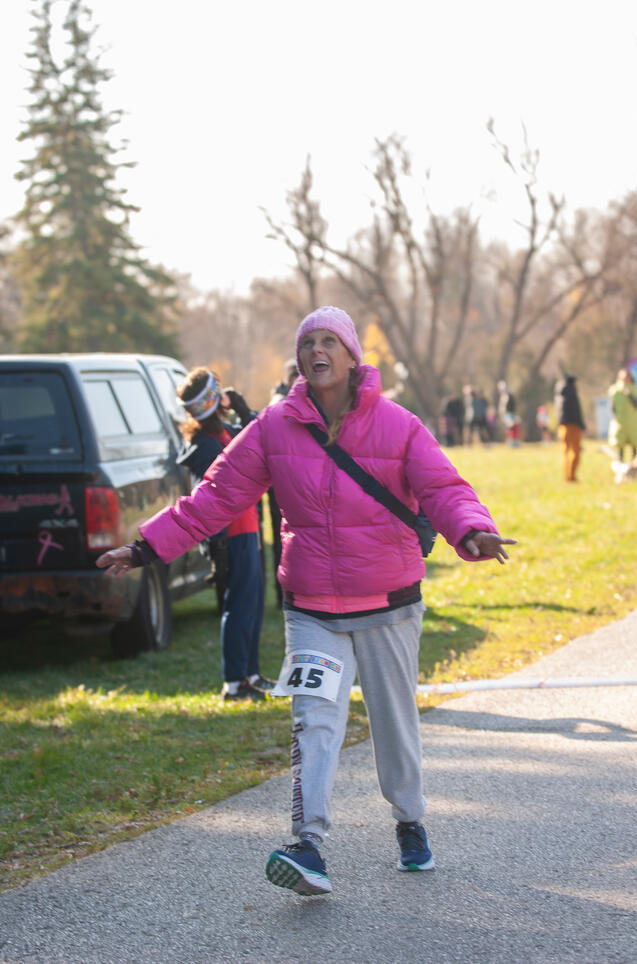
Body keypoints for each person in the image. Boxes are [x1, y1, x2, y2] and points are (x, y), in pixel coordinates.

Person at [96, 306, 515, 897]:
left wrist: (473, 531)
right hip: (312, 606)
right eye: (306, 343)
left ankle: (410, 821)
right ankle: (308, 845)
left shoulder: (397, 424)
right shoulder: (272, 427)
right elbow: (213, 497)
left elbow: (443, 488)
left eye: (327, 342)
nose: (315, 351)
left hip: (388, 603)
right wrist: (144, 548)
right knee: (314, 721)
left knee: (394, 724)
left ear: (350, 357)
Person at [175, 367, 271, 702]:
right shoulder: (204, 446)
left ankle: (251, 673)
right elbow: (207, 501)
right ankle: (234, 683)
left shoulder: (225, 433)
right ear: (213, 400)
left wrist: (244, 410)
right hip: (229, 537)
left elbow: (262, 436)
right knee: (238, 606)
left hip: (249, 528)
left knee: (254, 603)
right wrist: (216, 550)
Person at [268, 358, 299, 605]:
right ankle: (282, 593)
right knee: (282, 536)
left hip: (296, 478)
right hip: (279, 482)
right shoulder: (280, 405)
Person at [554, 372, 586, 482]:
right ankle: (571, 476)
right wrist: (581, 425)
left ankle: (567, 476)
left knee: (566, 452)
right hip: (572, 426)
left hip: (562, 426)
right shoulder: (571, 393)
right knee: (575, 452)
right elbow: (576, 411)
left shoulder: (559, 394)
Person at [607, 368, 637, 462]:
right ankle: (620, 465)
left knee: (634, 444)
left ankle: (634, 466)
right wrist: (614, 418)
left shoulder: (634, 390)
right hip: (620, 422)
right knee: (620, 445)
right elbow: (611, 407)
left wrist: (630, 396)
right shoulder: (615, 390)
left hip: (633, 422)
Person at [497, 380, 521, 446]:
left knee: (512, 427)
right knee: (510, 428)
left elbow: (505, 406)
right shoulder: (506, 395)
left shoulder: (507, 395)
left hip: (509, 414)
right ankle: (511, 442)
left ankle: (513, 442)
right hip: (507, 414)